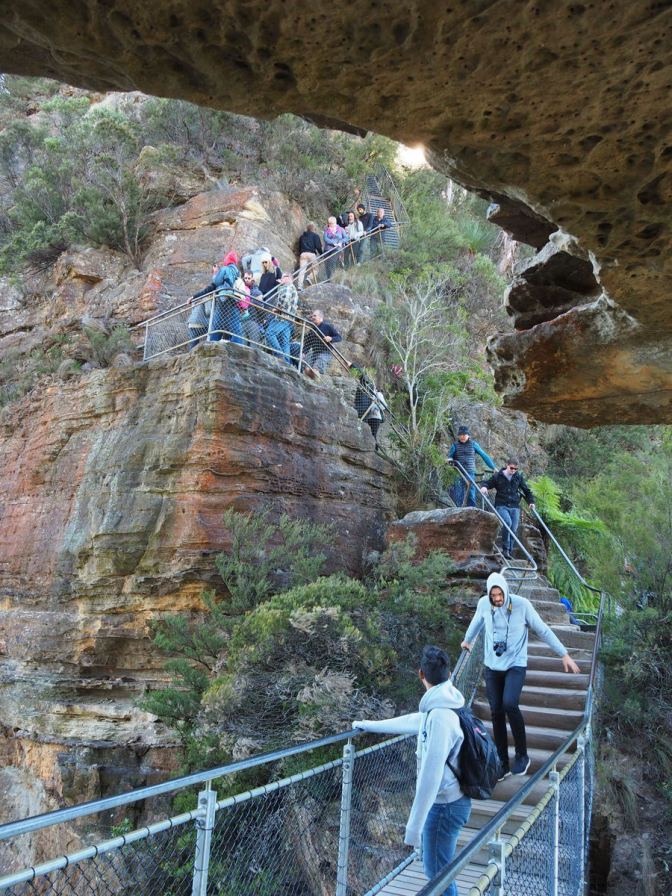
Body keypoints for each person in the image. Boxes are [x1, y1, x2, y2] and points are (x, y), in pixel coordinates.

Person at [353, 646, 471, 896]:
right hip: (448, 803)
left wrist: (413, 827)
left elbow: (431, 774)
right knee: (437, 871)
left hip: (446, 806)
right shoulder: (442, 704)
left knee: (437, 874)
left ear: (420, 674)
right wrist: (368, 725)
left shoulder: (440, 716)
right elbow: (412, 722)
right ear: (449, 674)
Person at [461, 572, 581, 779]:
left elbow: (542, 629)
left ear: (506, 591)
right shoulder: (484, 605)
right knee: (496, 712)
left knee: (509, 704)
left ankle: (522, 756)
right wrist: (467, 640)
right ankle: (502, 762)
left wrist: (564, 654)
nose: (497, 599)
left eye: (500, 595)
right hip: (492, 665)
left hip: (516, 664)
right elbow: (476, 623)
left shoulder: (521, 605)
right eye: (493, 596)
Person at [479, 458, 535, 559]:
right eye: (511, 468)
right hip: (501, 505)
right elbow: (487, 483)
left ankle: (508, 551)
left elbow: (527, 490)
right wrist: (484, 487)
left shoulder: (518, 477)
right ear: (507, 465)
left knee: (513, 529)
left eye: (515, 469)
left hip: (514, 506)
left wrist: (531, 502)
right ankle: (505, 549)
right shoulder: (498, 476)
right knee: (507, 524)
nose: (513, 470)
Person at [448, 425, 497, 508]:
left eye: (464, 435)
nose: (462, 436)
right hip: (458, 472)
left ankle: (472, 511)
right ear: (458, 436)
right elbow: (450, 456)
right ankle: (458, 511)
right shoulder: (455, 445)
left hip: (470, 472)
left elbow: (484, 455)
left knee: (471, 493)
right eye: (461, 435)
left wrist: (493, 467)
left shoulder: (473, 444)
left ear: (468, 435)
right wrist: (449, 460)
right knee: (458, 493)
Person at [209, 251, 243, 344]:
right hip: (233, 299)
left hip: (223, 298)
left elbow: (217, 281)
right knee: (235, 326)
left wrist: (215, 273)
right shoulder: (237, 272)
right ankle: (239, 346)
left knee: (217, 324)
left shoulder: (225, 269)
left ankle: (211, 344)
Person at [265, 274, 298, 363]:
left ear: (289, 278)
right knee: (285, 342)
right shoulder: (292, 288)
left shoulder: (287, 287)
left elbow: (285, 301)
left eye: (284, 277)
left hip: (282, 317)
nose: (282, 279)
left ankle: (279, 355)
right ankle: (287, 362)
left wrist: (277, 309)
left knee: (269, 333)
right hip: (289, 319)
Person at [302, 309, 342, 378]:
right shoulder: (312, 329)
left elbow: (339, 337)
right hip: (315, 352)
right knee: (307, 370)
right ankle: (314, 381)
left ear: (321, 318)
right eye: (312, 316)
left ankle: (318, 379)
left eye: (315, 316)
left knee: (315, 369)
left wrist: (331, 338)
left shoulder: (327, 326)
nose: (312, 318)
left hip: (325, 352)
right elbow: (308, 343)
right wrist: (303, 353)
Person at [354, 372, 387, 447]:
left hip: (374, 416)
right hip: (369, 416)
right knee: (371, 433)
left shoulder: (377, 394)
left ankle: (374, 448)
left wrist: (376, 402)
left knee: (373, 433)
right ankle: (372, 447)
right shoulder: (368, 391)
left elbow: (383, 406)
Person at [297, 223, 323, 290]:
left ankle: (299, 286)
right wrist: (321, 254)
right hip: (311, 254)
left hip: (303, 254)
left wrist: (301, 253)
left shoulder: (302, 236)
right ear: (314, 229)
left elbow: (299, 247)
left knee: (302, 270)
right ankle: (309, 277)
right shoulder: (315, 236)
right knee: (316, 268)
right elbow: (318, 246)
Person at [240, 271, 263, 345]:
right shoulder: (241, 288)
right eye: (245, 278)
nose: (246, 279)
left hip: (253, 320)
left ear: (252, 279)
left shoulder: (256, 292)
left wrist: (262, 320)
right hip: (242, 320)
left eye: (248, 278)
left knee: (254, 345)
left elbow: (261, 308)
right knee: (242, 346)